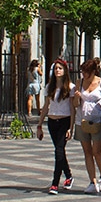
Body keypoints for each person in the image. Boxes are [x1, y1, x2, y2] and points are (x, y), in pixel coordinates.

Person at [36, 59, 76, 195]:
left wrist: (71, 127)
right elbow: (46, 106)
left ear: (65, 71)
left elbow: (72, 108)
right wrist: (40, 124)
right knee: (60, 151)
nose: (57, 71)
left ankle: (55, 183)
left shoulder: (70, 87)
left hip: (64, 121)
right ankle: (69, 176)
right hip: (52, 122)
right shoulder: (49, 87)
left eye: (60, 68)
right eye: (55, 69)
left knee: (58, 151)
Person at [73, 58, 101, 194]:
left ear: (93, 71)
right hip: (81, 121)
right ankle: (92, 181)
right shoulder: (79, 82)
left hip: (97, 121)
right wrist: (77, 97)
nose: (84, 74)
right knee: (87, 151)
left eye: (86, 72)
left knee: (97, 151)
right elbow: (75, 105)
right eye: (82, 71)